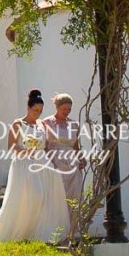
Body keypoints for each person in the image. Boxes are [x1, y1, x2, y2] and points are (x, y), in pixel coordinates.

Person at [0, 89, 70, 244]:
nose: (37, 114)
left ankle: (38, 231)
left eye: (40, 111)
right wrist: (25, 151)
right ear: (28, 107)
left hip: (41, 162)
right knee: (35, 195)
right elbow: (11, 147)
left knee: (48, 195)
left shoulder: (41, 125)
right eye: (35, 110)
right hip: (24, 164)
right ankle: (20, 230)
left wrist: (52, 162)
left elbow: (45, 146)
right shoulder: (18, 124)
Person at [44, 93, 85, 231]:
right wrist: (49, 162)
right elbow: (44, 145)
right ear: (57, 107)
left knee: (74, 196)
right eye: (64, 109)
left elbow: (76, 145)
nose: (67, 112)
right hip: (54, 161)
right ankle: (57, 229)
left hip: (72, 163)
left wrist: (82, 159)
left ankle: (72, 230)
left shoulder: (73, 124)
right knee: (58, 196)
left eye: (69, 109)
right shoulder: (47, 122)